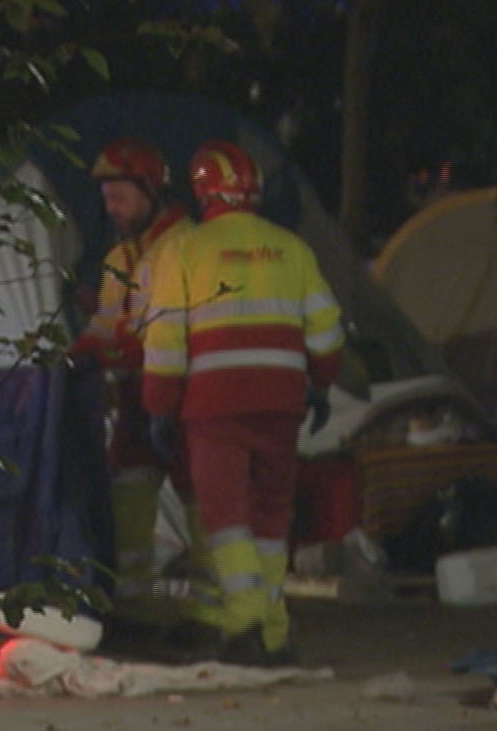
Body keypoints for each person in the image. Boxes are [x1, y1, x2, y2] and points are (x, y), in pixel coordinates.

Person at [141, 139, 344, 665]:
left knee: (225, 516)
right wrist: (321, 383)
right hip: (281, 404)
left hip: (214, 407)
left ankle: (245, 624)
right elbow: (327, 331)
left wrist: (159, 404)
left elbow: (165, 337)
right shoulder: (291, 248)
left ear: (202, 191)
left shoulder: (185, 250)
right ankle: (274, 632)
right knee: (272, 515)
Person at [69, 137, 219, 650]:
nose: (111, 208)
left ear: (151, 190)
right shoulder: (121, 255)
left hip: (187, 392)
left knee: (200, 501)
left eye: (120, 197)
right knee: (127, 494)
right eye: (106, 199)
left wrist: (116, 350)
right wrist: (75, 353)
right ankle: (135, 609)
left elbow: (179, 329)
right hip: (139, 397)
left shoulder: (188, 245)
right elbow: (105, 328)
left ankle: (208, 616)